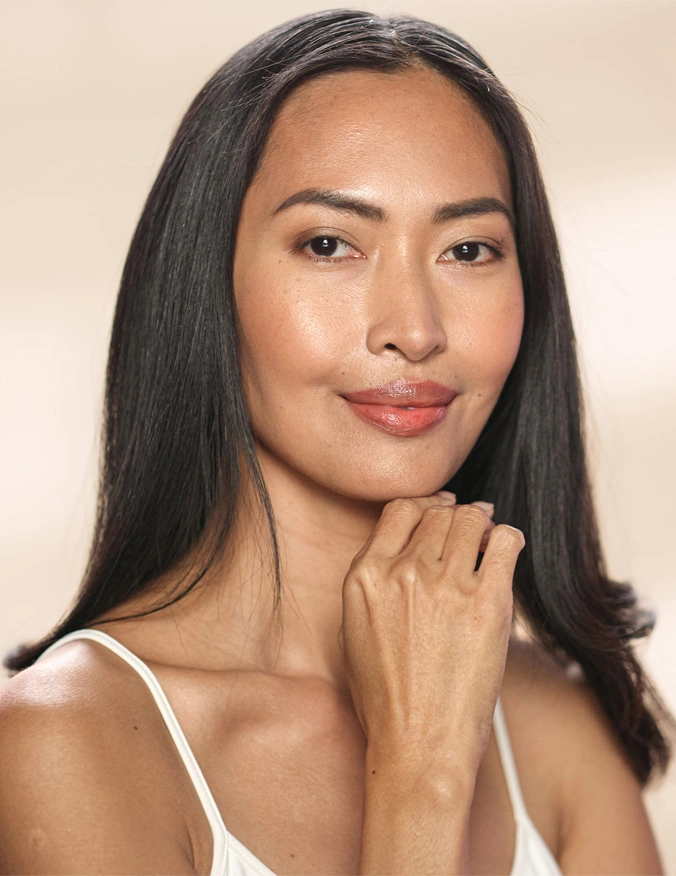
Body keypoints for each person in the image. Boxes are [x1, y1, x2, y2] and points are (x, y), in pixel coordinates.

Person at [0, 9, 671, 875]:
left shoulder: (550, 724)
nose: (414, 330)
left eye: (468, 250)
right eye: (329, 245)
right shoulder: (70, 743)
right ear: (210, 285)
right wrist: (421, 777)